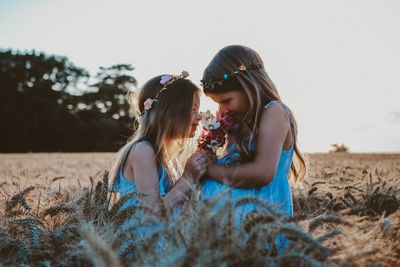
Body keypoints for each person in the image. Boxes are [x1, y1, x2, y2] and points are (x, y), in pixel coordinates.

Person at [200, 45, 307, 232]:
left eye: (226, 101)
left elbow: (262, 172)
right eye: (218, 104)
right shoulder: (237, 121)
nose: (222, 110)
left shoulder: (274, 112)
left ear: (249, 87)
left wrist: (211, 170)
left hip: (260, 226)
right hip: (224, 231)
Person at [109, 71, 207, 228]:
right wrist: (188, 178)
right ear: (170, 112)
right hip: (141, 246)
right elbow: (151, 215)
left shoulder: (168, 156)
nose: (199, 117)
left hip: (165, 242)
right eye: (193, 109)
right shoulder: (143, 151)